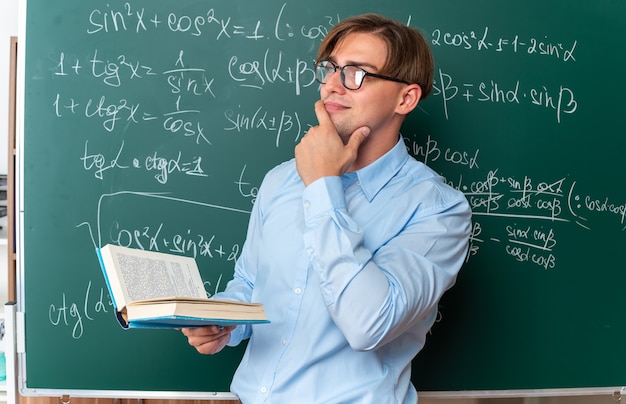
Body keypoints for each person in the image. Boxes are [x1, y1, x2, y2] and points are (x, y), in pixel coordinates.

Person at [182, 13, 472, 403]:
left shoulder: (439, 210)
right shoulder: (281, 181)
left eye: (356, 74)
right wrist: (223, 323)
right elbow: (250, 285)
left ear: (406, 97)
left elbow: (369, 324)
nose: (332, 86)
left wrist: (323, 187)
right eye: (331, 69)